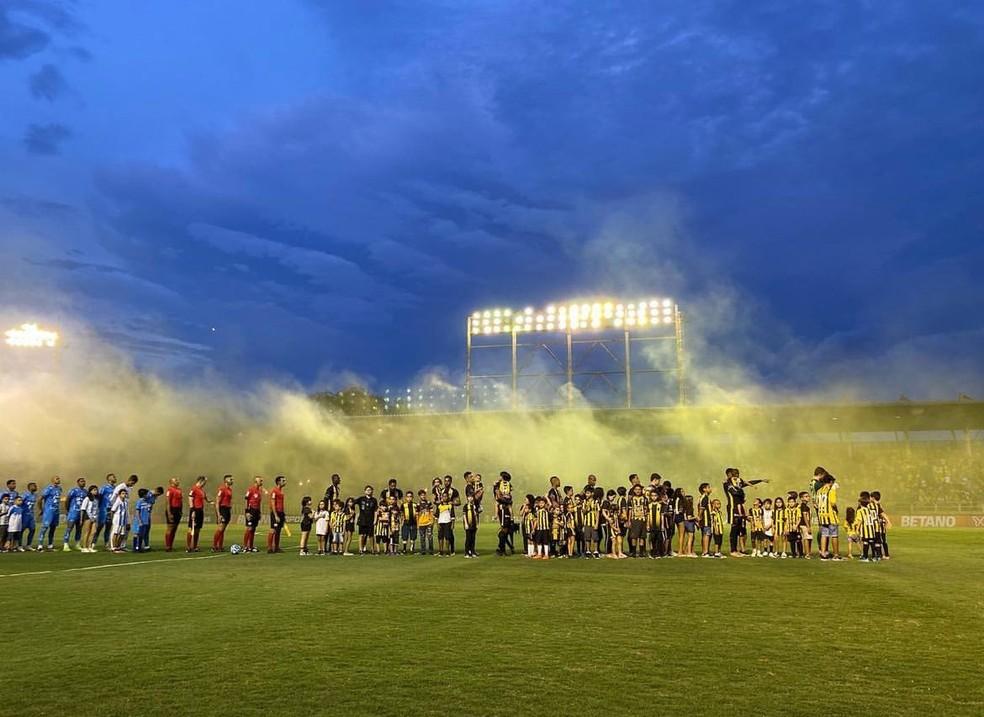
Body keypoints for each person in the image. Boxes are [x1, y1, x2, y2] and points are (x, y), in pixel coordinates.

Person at [722, 468, 768, 557]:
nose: (737, 477)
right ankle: (733, 550)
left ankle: (738, 550)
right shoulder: (727, 483)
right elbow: (735, 492)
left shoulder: (737, 482)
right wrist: (741, 491)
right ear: (729, 475)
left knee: (739, 529)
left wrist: (761, 480)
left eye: (737, 475)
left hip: (739, 508)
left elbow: (748, 482)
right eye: (734, 475)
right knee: (734, 529)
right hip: (732, 508)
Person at [813, 467, 841, 560]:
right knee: (834, 535)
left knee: (824, 535)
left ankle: (823, 554)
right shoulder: (831, 490)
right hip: (831, 516)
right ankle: (836, 554)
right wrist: (836, 510)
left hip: (822, 516)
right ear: (830, 482)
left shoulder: (819, 491)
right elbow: (833, 503)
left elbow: (816, 503)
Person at [35, 475, 62, 551]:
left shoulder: (59, 489)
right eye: (57, 478)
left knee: (53, 528)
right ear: (52, 480)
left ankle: (50, 545)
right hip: (49, 511)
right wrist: (41, 509)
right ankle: (40, 545)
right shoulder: (48, 489)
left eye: (59, 478)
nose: (59, 479)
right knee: (45, 527)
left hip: (56, 511)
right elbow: (40, 499)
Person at [854, 492, 882, 562]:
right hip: (872, 529)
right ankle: (874, 556)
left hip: (865, 530)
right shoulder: (869, 510)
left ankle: (865, 557)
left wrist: (857, 529)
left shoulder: (860, 511)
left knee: (865, 542)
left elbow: (860, 521)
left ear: (860, 503)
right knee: (872, 542)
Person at [61, 477, 87, 552]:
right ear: (78, 483)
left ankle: (77, 544)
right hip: (73, 512)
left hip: (81, 513)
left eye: (84, 481)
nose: (83, 482)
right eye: (81, 481)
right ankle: (65, 544)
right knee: (69, 528)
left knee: (79, 529)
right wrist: (68, 509)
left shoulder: (86, 492)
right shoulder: (73, 491)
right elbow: (67, 500)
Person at [186, 476, 210, 553]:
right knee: (191, 528)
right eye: (204, 482)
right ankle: (189, 547)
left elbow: (205, 498)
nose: (205, 484)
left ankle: (195, 546)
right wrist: (192, 510)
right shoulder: (194, 489)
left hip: (200, 511)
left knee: (197, 529)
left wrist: (210, 502)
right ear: (201, 481)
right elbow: (190, 499)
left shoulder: (201, 490)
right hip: (195, 510)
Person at [212, 475, 234, 552]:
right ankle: (214, 546)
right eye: (230, 479)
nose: (232, 480)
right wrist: (218, 514)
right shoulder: (222, 489)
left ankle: (220, 546)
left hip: (227, 510)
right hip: (222, 509)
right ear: (225, 480)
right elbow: (217, 502)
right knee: (220, 528)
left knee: (223, 529)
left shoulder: (230, 490)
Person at [242, 476, 264, 553]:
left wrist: (260, 512)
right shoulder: (250, 489)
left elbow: (259, 503)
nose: (261, 482)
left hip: (256, 511)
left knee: (253, 529)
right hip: (251, 510)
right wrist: (247, 512)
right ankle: (245, 547)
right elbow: (246, 500)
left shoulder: (259, 491)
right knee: (249, 528)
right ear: (256, 481)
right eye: (260, 481)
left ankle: (250, 546)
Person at [95, 474, 117, 550]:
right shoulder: (104, 488)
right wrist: (99, 508)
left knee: (108, 527)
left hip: (111, 511)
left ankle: (106, 544)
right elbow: (99, 498)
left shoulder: (116, 488)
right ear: (109, 479)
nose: (115, 478)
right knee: (99, 527)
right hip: (103, 510)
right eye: (113, 477)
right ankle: (93, 543)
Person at [627, 483, 648, 558]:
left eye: (639, 489)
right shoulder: (631, 499)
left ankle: (641, 552)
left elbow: (646, 510)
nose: (638, 491)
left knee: (642, 536)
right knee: (634, 537)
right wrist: (629, 521)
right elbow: (630, 510)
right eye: (636, 489)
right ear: (634, 490)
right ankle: (633, 552)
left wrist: (647, 521)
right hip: (634, 519)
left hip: (643, 519)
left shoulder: (645, 499)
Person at [355, 485, 377, 555]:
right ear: (365, 491)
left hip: (370, 520)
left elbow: (376, 511)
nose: (369, 491)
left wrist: (375, 520)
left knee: (371, 535)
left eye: (370, 490)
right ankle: (361, 549)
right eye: (367, 490)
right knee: (362, 535)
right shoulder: (361, 499)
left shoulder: (374, 500)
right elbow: (352, 502)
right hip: (362, 520)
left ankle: (372, 550)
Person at [266, 475, 287, 553]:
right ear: (278, 482)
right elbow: (272, 503)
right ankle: (269, 548)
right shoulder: (274, 491)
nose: (285, 482)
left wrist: (283, 514)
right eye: (283, 481)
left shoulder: (281, 491)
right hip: (276, 513)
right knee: (273, 530)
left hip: (281, 512)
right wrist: (275, 515)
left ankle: (277, 547)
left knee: (278, 530)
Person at [442, 475, 461, 555]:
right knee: (442, 532)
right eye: (445, 481)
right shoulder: (441, 491)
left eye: (448, 481)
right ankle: (443, 550)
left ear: (451, 482)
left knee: (450, 532)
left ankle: (452, 548)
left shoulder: (454, 491)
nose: (447, 482)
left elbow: (459, 502)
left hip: (450, 513)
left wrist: (452, 503)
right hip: (442, 512)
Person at [163, 477, 182, 552]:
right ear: (171, 482)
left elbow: (180, 501)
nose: (178, 481)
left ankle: (171, 545)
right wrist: (169, 513)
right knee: (170, 528)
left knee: (175, 529)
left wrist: (180, 510)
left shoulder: (179, 490)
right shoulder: (169, 490)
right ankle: (167, 546)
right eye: (176, 480)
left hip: (178, 510)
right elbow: (168, 503)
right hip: (172, 509)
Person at [871, 490, 891, 559]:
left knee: (878, 540)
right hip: (881, 524)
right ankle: (886, 554)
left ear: (873, 498)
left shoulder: (876, 505)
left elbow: (882, 514)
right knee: (883, 540)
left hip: (879, 525)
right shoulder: (879, 504)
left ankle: (880, 554)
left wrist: (888, 521)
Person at [80, 485, 100, 552]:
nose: (95, 491)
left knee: (93, 532)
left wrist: (95, 517)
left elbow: (96, 509)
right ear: (90, 491)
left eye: (96, 490)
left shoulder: (96, 500)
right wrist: (81, 519)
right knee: (87, 531)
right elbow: (83, 509)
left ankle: (89, 546)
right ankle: (84, 547)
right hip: (87, 516)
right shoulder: (87, 499)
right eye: (94, 490)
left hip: (94, 517)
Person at [110, 486, 129, 553]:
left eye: (125, 493)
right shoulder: (118, 501)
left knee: (122, 534)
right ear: (119, 494)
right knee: (116, 533)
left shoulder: (126, 502)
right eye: (123, 493)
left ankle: (118, 546)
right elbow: (112, 510)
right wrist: (112, 519)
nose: (124, 495)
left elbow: (126, 512)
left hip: (123, 520)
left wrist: (127, 521)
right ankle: (114, 547)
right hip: (117, 520)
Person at [532, 496, 551, 560]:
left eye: (542, 503)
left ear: (545, 504)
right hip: (539, 529)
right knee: (538, 541)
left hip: (545, 529)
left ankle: (546, 554)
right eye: (540, 503)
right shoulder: (537, 511)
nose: (541, 504)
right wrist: (534, 529)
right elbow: (536, 520)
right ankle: (539, 554)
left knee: (545, 542)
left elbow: (550, 505)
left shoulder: (546, 510)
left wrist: (547, 497)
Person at [20, 482, 38, 549]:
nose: (36, 487)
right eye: (34, 486)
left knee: (32, 529)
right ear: (29, 487)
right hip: (24, 515)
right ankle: (19, 545)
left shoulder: (35, 495)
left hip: (31, 515)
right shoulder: (25, 495)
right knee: (22, 530)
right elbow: (20, 502)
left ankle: (28, 545)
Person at [697, 482, 713, 558]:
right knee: (706, 534)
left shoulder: (702, 497)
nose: (710, 489)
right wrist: (699, 517)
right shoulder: (705, 497)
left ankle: (705, 551)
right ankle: (705, 552)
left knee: (705, 534)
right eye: (708, 487)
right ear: (704, 489)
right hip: (706, 520)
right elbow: (702, 508)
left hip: (705, 520)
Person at [417, 490, 434, 556]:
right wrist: (417, 523)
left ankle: (431, 551)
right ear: (419, 496)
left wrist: (432, 521)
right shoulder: (418, 505)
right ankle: (423, 551)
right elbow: (417, 515)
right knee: (422, 537)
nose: (423, 496)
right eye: (421, 495)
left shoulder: (429, 503)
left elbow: (431, 512)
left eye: (424, 495)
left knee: (430, 537)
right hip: (421, 523)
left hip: (428, 523)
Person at [436, 491, 453, 557]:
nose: (444, 498)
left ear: (448, 497)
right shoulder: (439, 506)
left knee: (447, 537)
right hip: (441, 522)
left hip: (447, 523)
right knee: (440, 537)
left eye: (446, 496)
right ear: (441, 497)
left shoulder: (450, 506)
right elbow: (436, 516)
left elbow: (452, 516)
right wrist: (437, 524)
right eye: (443, 496)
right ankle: (441, 551)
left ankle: (447, 551)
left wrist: (452, 524)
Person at [461, 492, 478, 557]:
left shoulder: (474, 506)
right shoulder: (466, 506)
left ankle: (472, 551)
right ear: (467, 498)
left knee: (473, 539)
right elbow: (464, 515)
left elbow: (475, 515)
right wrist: (466, 524)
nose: (470, 498)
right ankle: (467, 552)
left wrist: (476, 523)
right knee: (468, 538)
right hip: (468, 524)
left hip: (474, 524)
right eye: (469, 497)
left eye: (471, 497)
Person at [798, 491, 813, 559]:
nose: (808, 498)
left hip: (805, 524)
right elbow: (804, 516)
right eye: (806, 496)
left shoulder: (805, 506)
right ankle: (807, 554)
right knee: (806, 538)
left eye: (808, 496)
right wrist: (808, 526)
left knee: (809, 538)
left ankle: (808, 552)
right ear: (801, 498)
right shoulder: (803, 506)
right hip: (804, 524)